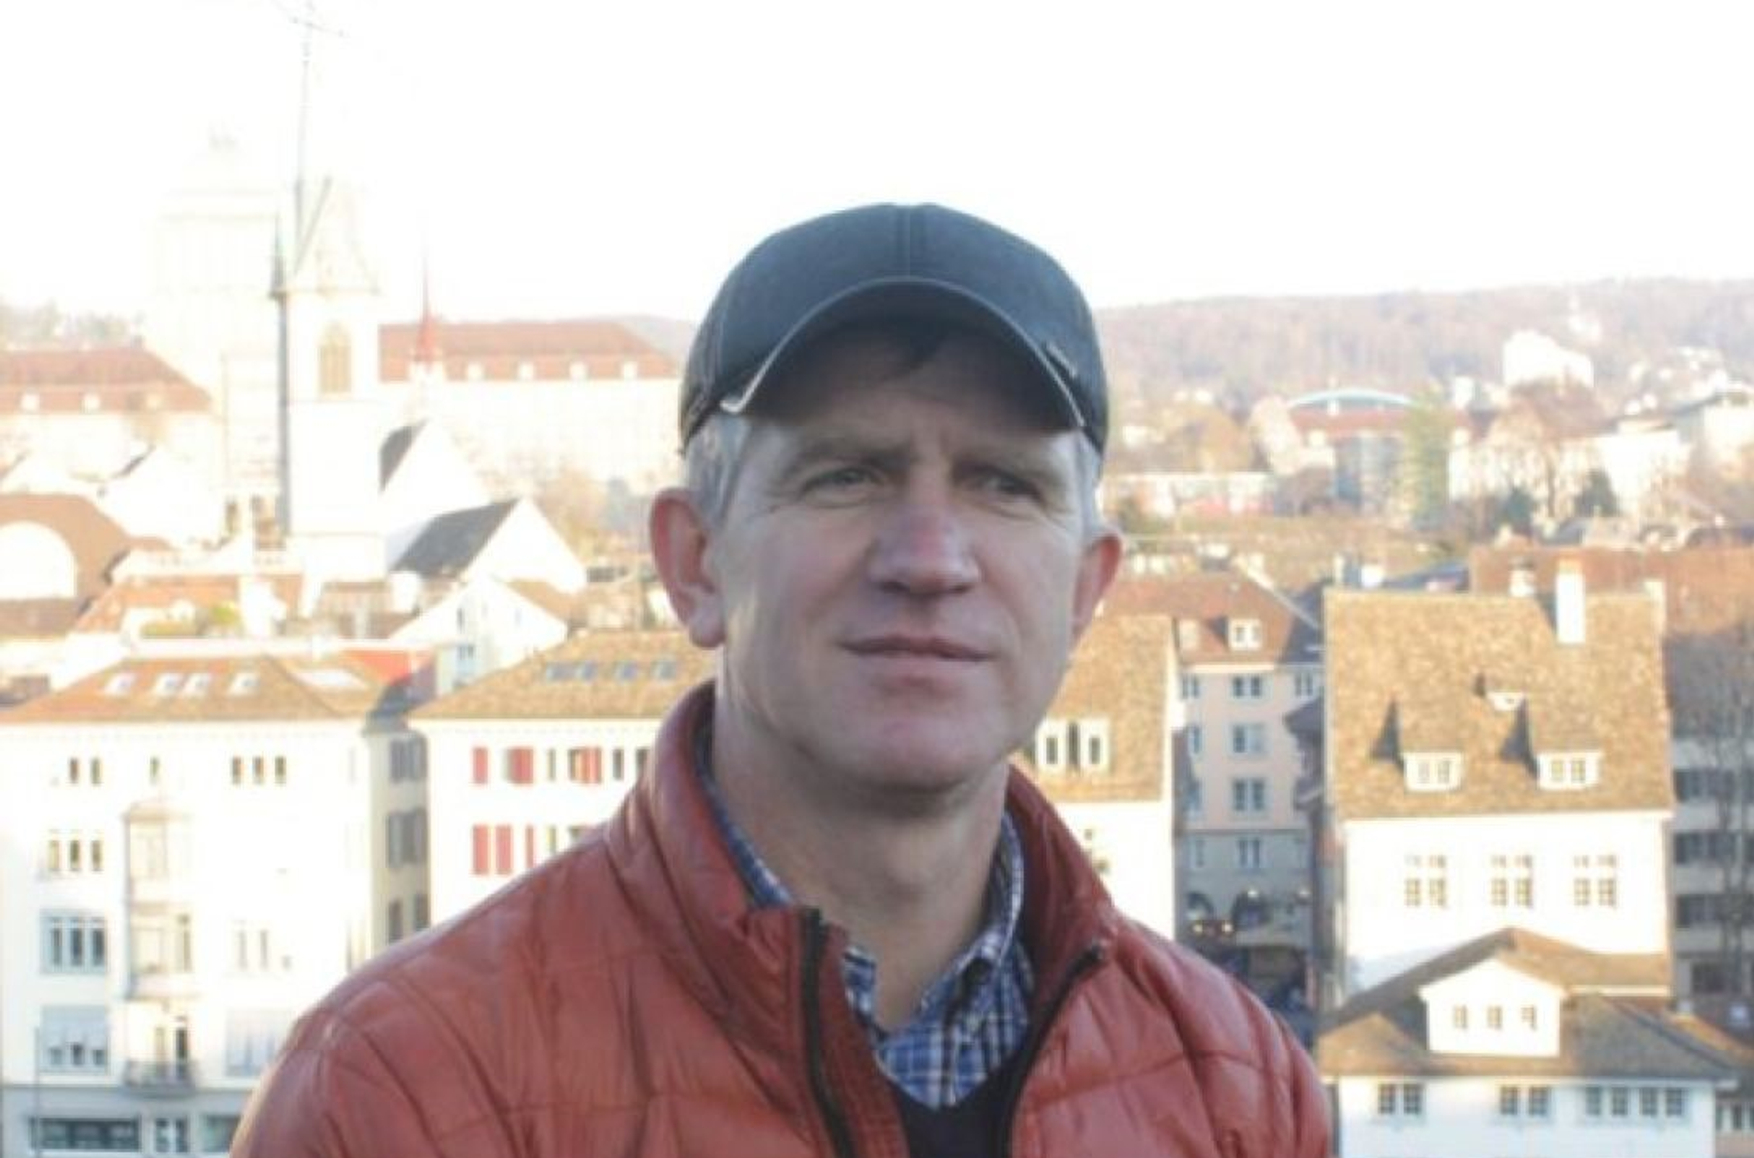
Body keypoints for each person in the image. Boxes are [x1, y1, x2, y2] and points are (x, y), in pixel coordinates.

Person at [234, 203, 1328, 1157]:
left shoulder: (1235, 1089)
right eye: (846, 476)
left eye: (1003, 484)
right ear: (694, 564)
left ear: (1086, 589)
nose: (929, 558)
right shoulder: (405, 1095)